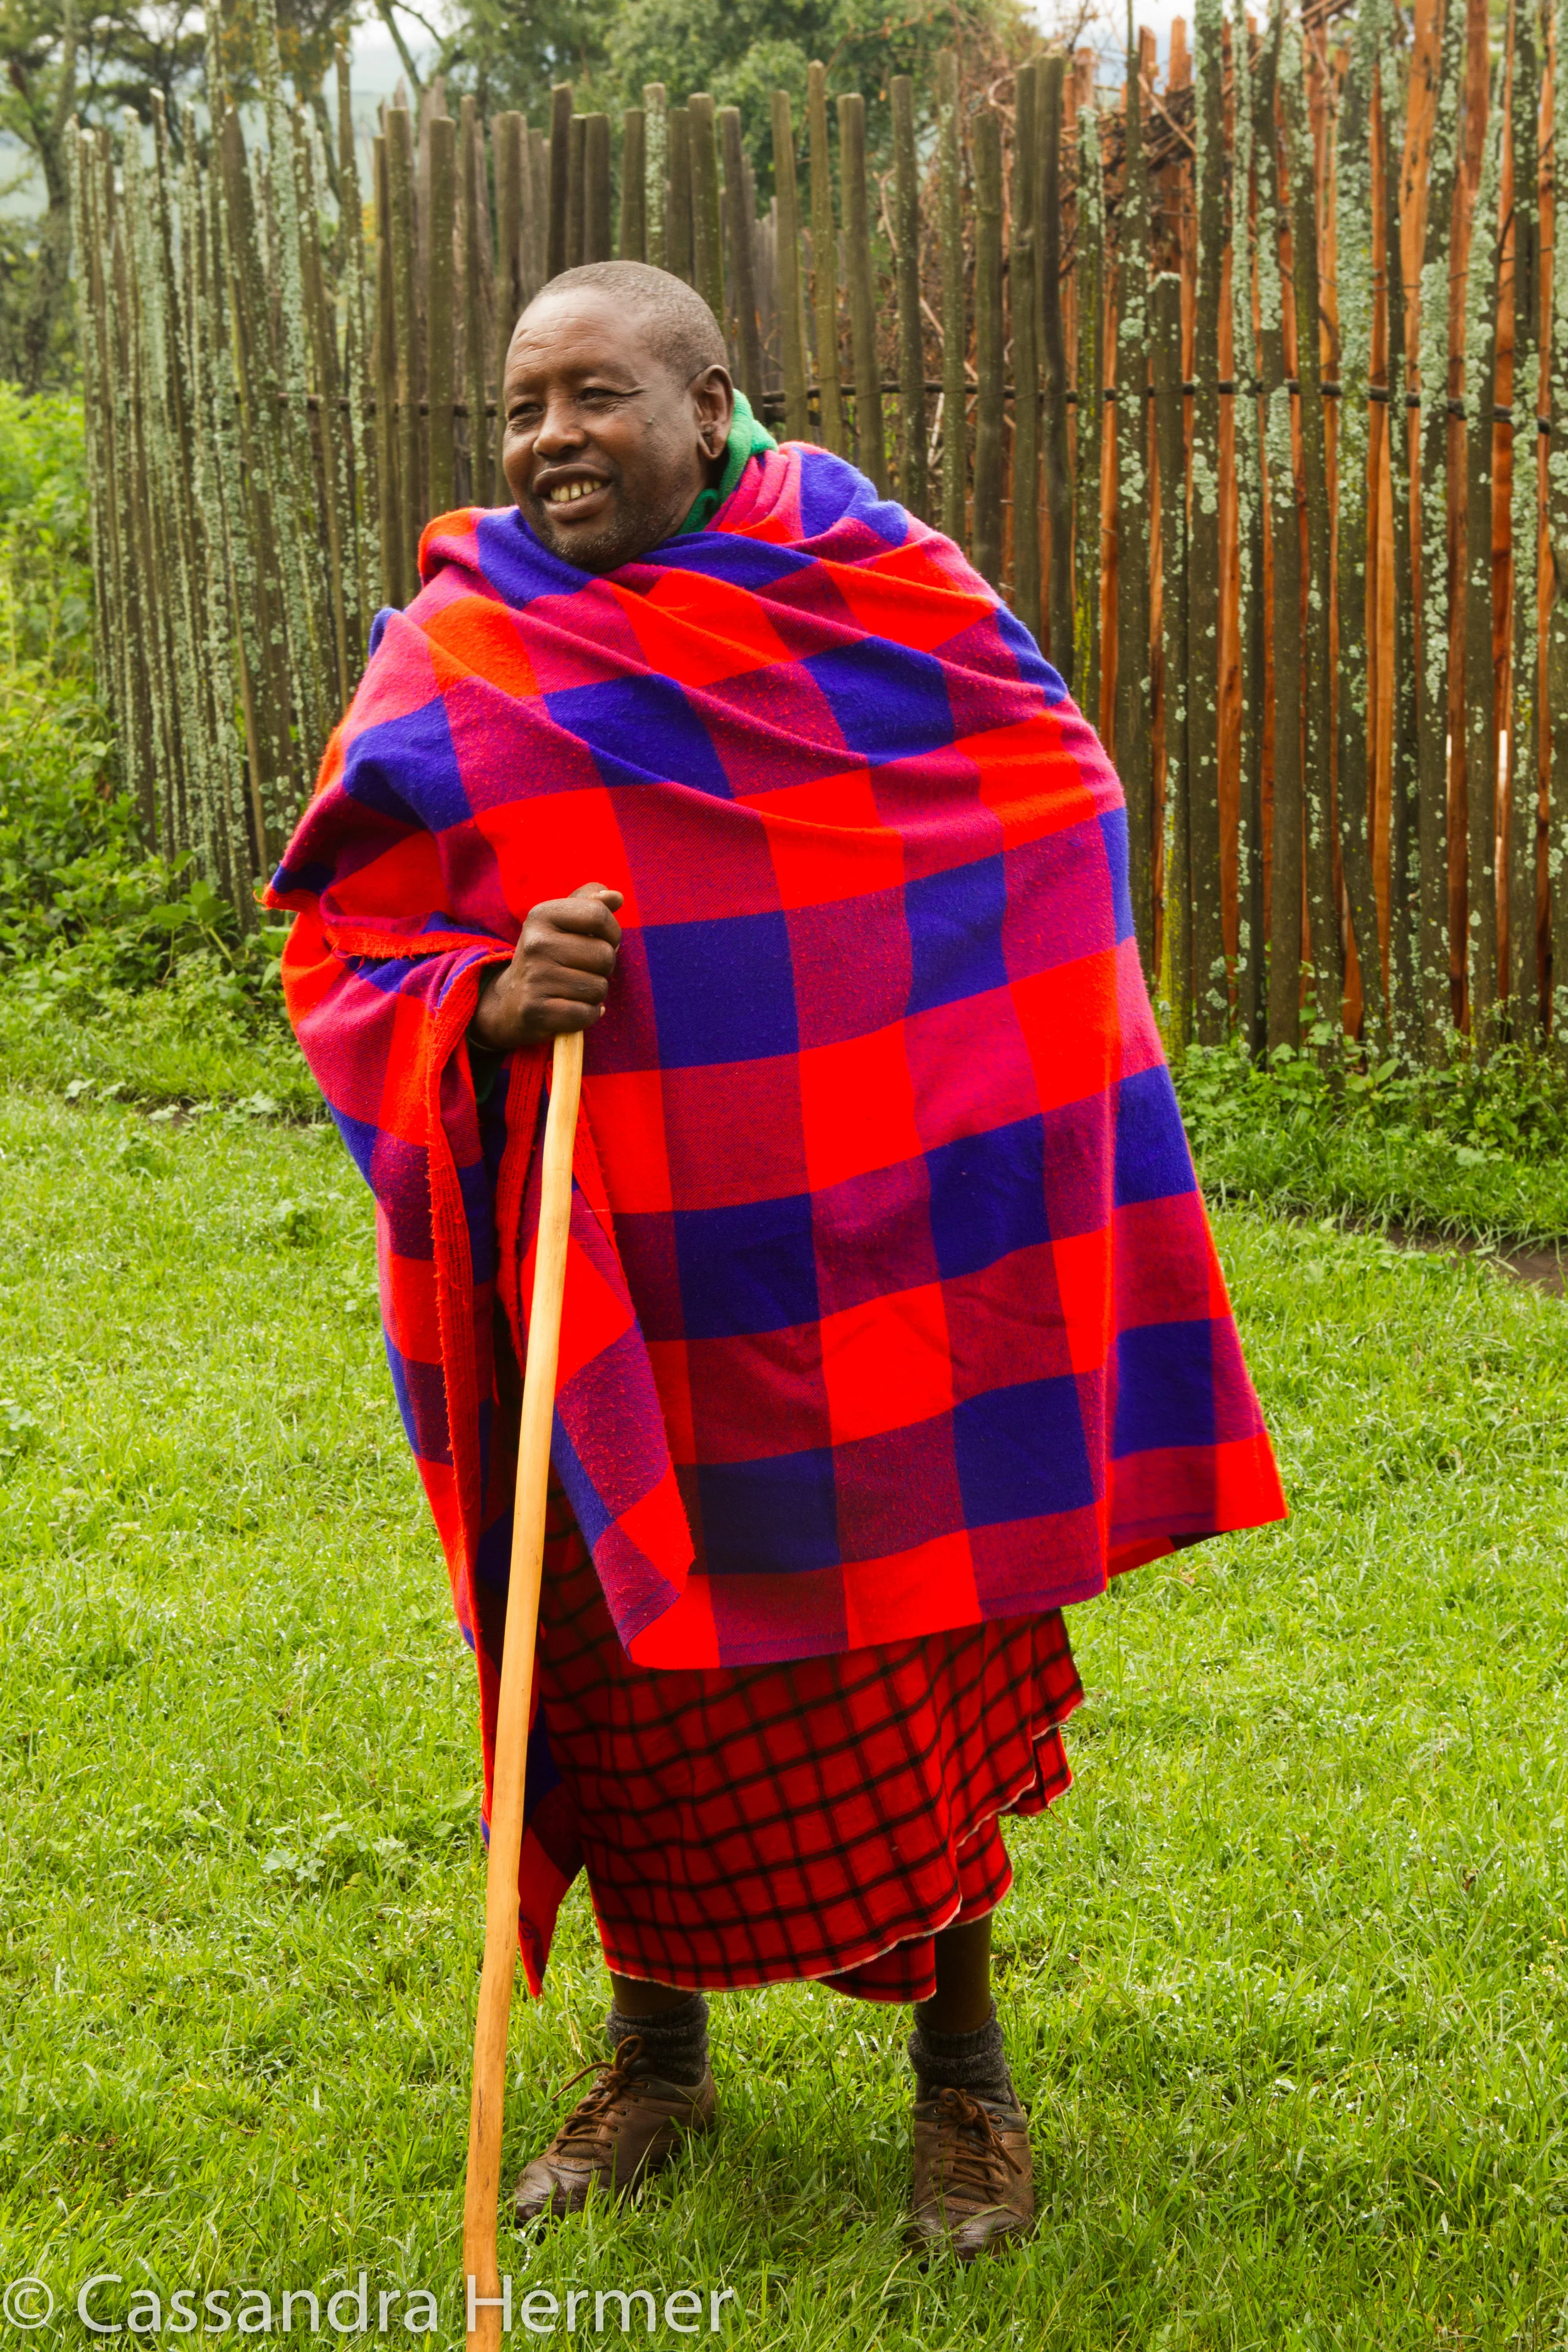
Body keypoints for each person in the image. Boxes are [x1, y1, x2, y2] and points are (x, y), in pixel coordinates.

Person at [268, 261, 1285, 2260]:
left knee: (900, 1656)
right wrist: (477, 999)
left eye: (595, 396)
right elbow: (337, 939)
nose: (551, 436)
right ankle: (655, 2058)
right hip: (613, 1277)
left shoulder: (872, 589)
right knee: (623, 1665)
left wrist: (942, 1098)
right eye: (520, 404)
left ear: (711, 396)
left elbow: (1044, 810)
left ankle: (964, 2080)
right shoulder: (464, 644)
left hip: (859, 1273)